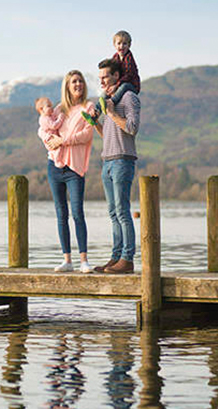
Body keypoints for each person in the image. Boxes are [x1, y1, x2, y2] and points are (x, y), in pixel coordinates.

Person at [38, 70, 95, 273]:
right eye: (73, 82)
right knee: (61, 213)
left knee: (77, 212)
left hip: (75, 168)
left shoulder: (89, 107)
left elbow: (87, 134)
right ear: (67, 86)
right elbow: (45, 129)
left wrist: (64, 140)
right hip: (55, 166)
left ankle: (84, 260)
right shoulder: (59, 108)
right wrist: (47, 140)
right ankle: (67, 260)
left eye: (80, 81)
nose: (78, 84)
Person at [92, 58, 141, 274]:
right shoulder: (108, 100)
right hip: (107, 160)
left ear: (116, 76)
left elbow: (131, 128)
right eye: (100, 77)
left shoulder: (129, 98)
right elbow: (108, 136)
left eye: (105, 77)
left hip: (123, 160)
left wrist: (111, 113)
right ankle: (115, 257)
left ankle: (127, 259)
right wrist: (96, 123)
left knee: (122, 212)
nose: (102, 81)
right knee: (113, 212)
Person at [82, 30, 140, 125]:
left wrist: (116, 85)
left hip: (131, 85)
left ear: (129, 45)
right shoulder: (115, 57)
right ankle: (95, 113)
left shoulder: (129, 58)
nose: (121, 46)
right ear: (114, 45)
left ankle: (111, 103)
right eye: (119, 43)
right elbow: (113, 71)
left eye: (124, 44)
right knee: (105, 93)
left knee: (124, 86)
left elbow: (128, 76)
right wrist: (110, 85)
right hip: (120, 83)